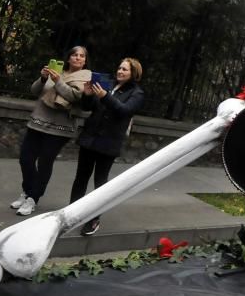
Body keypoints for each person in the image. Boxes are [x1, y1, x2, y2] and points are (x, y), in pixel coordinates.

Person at [10, 46, 91, 216]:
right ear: (68, 58)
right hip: (38, 121)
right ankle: (27, 191)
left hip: (60, 127)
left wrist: (57, 81)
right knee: (26, 158)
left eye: (81, 56)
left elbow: (74, 96)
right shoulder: (57, 71)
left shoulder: (85, 77)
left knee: (45, 162)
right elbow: (34, 91)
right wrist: (43, 78)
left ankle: (33, 198)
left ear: (85, 60)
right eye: (74, 55)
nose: (77, 58)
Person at [71, 57, 145, 236]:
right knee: (81, 177)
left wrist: (105, 96)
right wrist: (88, 94)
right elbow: (89, 107)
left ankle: (93, 219)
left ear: (133, 73)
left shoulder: (137, 93)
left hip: (109, 142)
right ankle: (72, 213)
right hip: (90, 138)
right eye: (119, 68)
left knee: (100, 182)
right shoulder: (108, 84)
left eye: (125, 69)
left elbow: (124, 111)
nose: (120, 71)